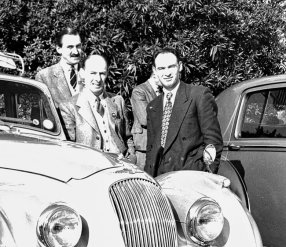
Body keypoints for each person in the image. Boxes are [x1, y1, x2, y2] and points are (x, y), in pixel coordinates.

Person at [144, 48, 223, 177]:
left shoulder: (198, 95)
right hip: (160, 179)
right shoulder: (153, 106)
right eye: (161, 68)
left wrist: (206, 175)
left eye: (171, 67)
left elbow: (213, 142)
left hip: (189, 177)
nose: (167, 73)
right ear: (155, 71)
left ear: (180, 66)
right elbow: (151, 150)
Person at [60, 54, 136, 162]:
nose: (97, 79)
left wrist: (131, 157)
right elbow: (69, 147)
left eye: (102, 73)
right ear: (82, 73)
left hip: (121, 166)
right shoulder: (69, 107)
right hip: (90, 169)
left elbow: (128, 137)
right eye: (93, 73)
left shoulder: (118, 100)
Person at [35, 26, 84, 107]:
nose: (75, 52)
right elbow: (39, 113)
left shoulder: (92, 73)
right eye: (70, 47)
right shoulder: (44, 77)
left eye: (78, 46)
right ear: (59, 49)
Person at [131, 69, 162, 169]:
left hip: (159, 146)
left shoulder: (163, 91)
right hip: (143, 147)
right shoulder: (139, 91)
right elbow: (145, 119)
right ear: (155, 75)